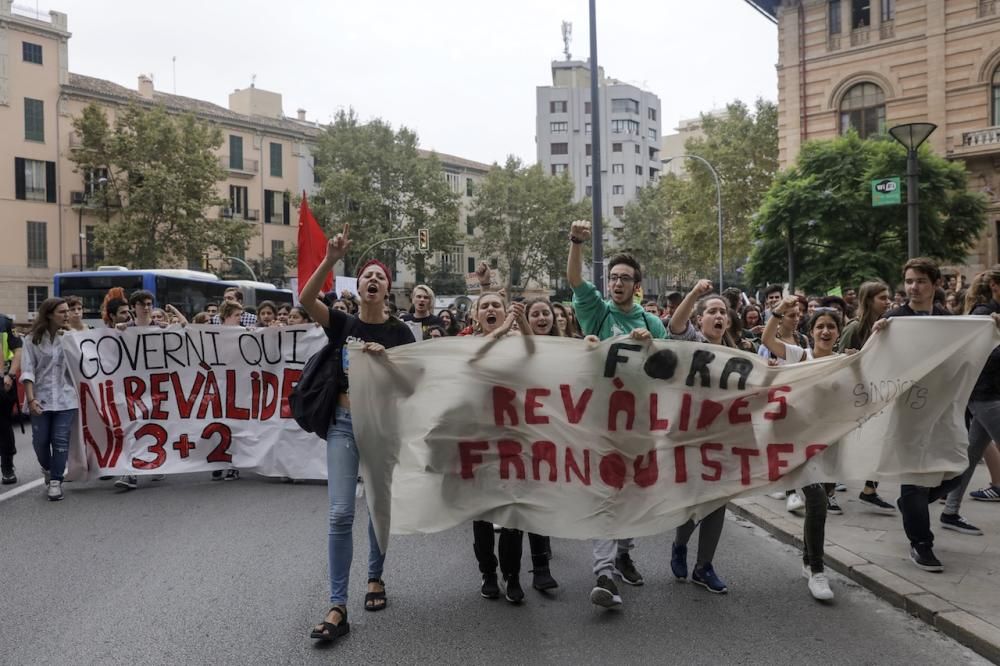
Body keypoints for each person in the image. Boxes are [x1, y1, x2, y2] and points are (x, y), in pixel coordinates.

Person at [302, 224, 415, 643]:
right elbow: (305, 300)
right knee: (340, 513)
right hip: (344, 425)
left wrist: (385, 362)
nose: (372, 280)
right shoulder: (343, 323)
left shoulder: (400, 334)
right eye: (367, 274)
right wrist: (331, 259)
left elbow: (410, 389)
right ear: (360, 285)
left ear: (388, 289)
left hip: (382, 426)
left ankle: (374, 578)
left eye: (380, 277)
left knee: (377, 507)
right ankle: (337, 605)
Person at [566, 219, 667, 610]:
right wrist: (576, 241)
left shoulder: (649, 321)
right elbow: (575, 279)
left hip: (641, 421)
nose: (618, 283)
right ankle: (604, 572)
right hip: (601, 420)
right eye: (613, 277)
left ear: (636, 286)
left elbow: (669, 369)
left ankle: (625, 552)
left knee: (635, 494)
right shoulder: (597, 311)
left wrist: (652, 344)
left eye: (626, 278)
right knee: (607, 493)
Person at [761, 298, 852, 601]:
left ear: (838, 332)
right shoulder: (800, 355)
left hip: (830, 445)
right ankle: (817, 570)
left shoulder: (845, 361)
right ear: (811, 331)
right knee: (817, 503)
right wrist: (779, 310)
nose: (826, 331)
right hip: (798, 446)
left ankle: (805, 560)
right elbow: (766, 338)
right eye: (820, 326)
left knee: (818, 505)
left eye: (831, 326)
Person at [880, 258, 966, 572]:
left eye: (920, 281)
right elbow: (877, 359)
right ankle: (921, 543)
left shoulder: (947, 319)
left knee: (957, 466)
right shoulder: (894, 319)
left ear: (935, 284)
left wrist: (991, 327)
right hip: (907, 413)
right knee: (914, 478)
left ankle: (912, 506)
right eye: (909, 281)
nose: (913, 287)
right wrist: (879, 335)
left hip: (942, 412)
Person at [666, 280, 736, 595]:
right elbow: (675, 325)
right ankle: (680, 544)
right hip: (689, 437)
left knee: (717, 500)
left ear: (728, 321)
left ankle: (703, 566)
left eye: (722, 312)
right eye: (712, 311)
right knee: (695, 500)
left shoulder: (739, 354)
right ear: (701, 320)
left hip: (724, 438)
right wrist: (694, 294)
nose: (718, 316)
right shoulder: (693, 343)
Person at [937, 268, 1000, 537]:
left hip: (989, 394)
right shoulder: (983, 314)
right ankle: (921, 498)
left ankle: (948, 510)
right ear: (996, 285)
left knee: (971, 456)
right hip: (985, 394)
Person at [836, 280, 897, 514]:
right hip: (853, 396)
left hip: (877, 394)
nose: (887, 301)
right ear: (869, 300)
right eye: (882, 297)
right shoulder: (854, 328)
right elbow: (839, 360)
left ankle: (870, 490)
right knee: (841, 444)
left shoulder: (887, 326)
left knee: (880, 442)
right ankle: (828, 492)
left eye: (888, 296)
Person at [20, 298, 76, 501]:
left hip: (66, 399)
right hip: (40, 398)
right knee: (40, 442)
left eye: (68, 311)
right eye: (62, 312)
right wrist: (31, 399)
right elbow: (28, 371)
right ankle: (47, 468)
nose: (67, 315)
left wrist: (73, 338)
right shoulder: (32, 339)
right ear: (50, 314)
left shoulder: (71, 337)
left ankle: (56, 482)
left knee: (60, 440)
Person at [0, 310, 23, 484]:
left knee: (3, 426)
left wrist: (11, 375)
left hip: (3, 381)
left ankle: (7, 466)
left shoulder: (4, 322)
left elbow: (18, 350)